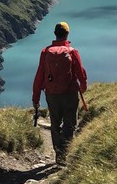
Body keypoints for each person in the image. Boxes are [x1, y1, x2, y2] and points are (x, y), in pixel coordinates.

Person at [32, 21, 87, 165]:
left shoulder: (45, 52)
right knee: (70, 123)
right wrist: (83, 85)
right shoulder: (72, 51)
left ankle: (59, 153)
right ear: (67, 34)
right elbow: (80, 72)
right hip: (70, 93)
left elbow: (39, 76)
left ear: (55, 34)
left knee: (55, 123)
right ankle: (65, 153)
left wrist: (36, 97)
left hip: (52, 94)